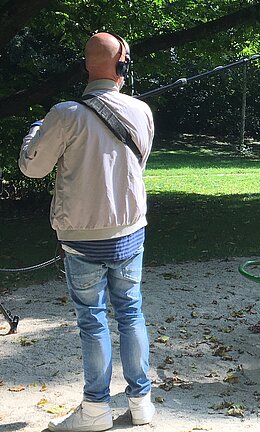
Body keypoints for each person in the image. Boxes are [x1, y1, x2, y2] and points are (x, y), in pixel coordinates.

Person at [19, 32, 155, 432]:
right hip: (130, 232)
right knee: (131, 314)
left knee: (92, 320)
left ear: (86, 65)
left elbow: (32, 167)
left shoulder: (64, 114)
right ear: (122, 65)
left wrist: (34, 132)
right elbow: (138, 164)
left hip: (81, 238)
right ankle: (142, 402)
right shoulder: (141, 110)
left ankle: (95, 409)